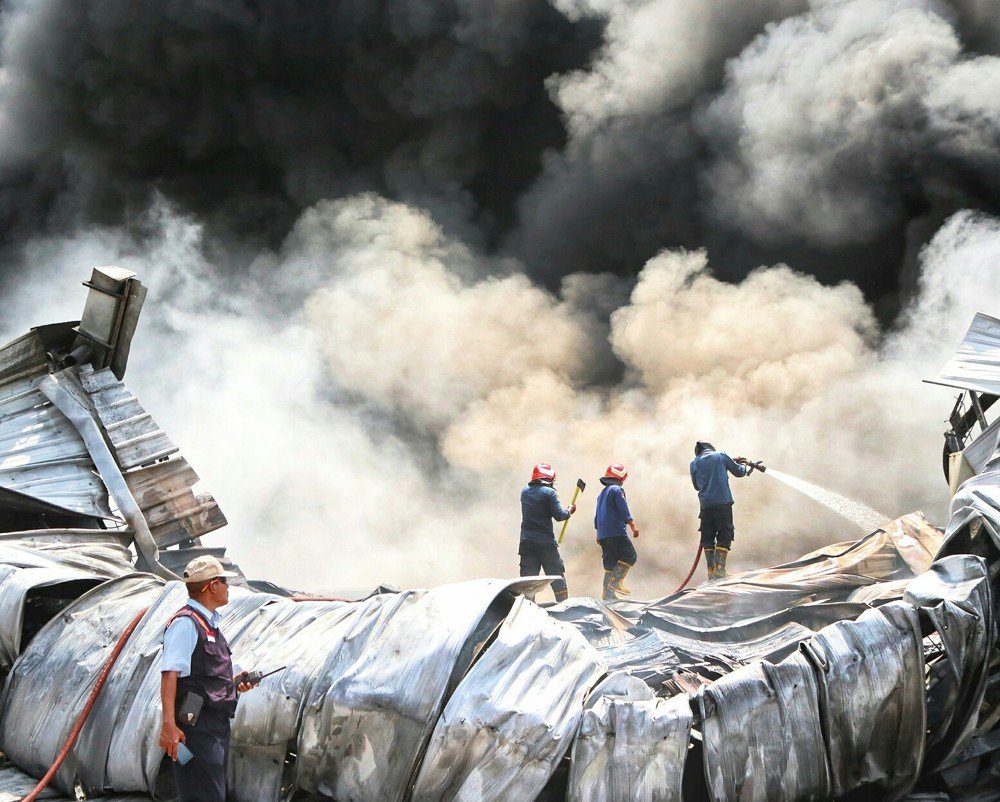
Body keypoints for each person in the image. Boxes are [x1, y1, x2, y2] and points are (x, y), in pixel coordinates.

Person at [159, 556, 257, 802]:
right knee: (202, 795)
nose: (228, 587)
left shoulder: (210, 624)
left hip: (215, 726)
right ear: (212, 586)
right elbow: (170, 674)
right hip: (196, 728)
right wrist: (168, 726)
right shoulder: (185, 623)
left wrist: (234, 683)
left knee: (212, 793)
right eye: (224, 581)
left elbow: (204, 677)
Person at [690, 441, 749, 580]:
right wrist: (744, 464)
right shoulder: (721, 455)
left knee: (708, 537)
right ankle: (720, 570)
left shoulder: (693, 463)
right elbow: (740, 472)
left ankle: (711, 571)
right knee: (725, 533)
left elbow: (696, 486)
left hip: (705, 506)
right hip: (722, 503)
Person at [519, 463, 576, 602]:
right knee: (557, 576)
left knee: (528, 581)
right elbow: (559, 516)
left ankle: (527, 611)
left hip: (526, 542)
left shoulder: (524, 491)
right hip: (545, 544)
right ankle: (565, 607)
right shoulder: (549, 493)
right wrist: (569, 510)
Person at [594, 463, 639, 601]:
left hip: (603, 534)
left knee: (610, 563)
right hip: (616, 532)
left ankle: (608, 595)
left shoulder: (601, 494)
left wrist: (598, 533)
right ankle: (615, 583)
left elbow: (596, 516)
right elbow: (623, 508)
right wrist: (632, 525)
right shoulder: (617, 490)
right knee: (630, 555)